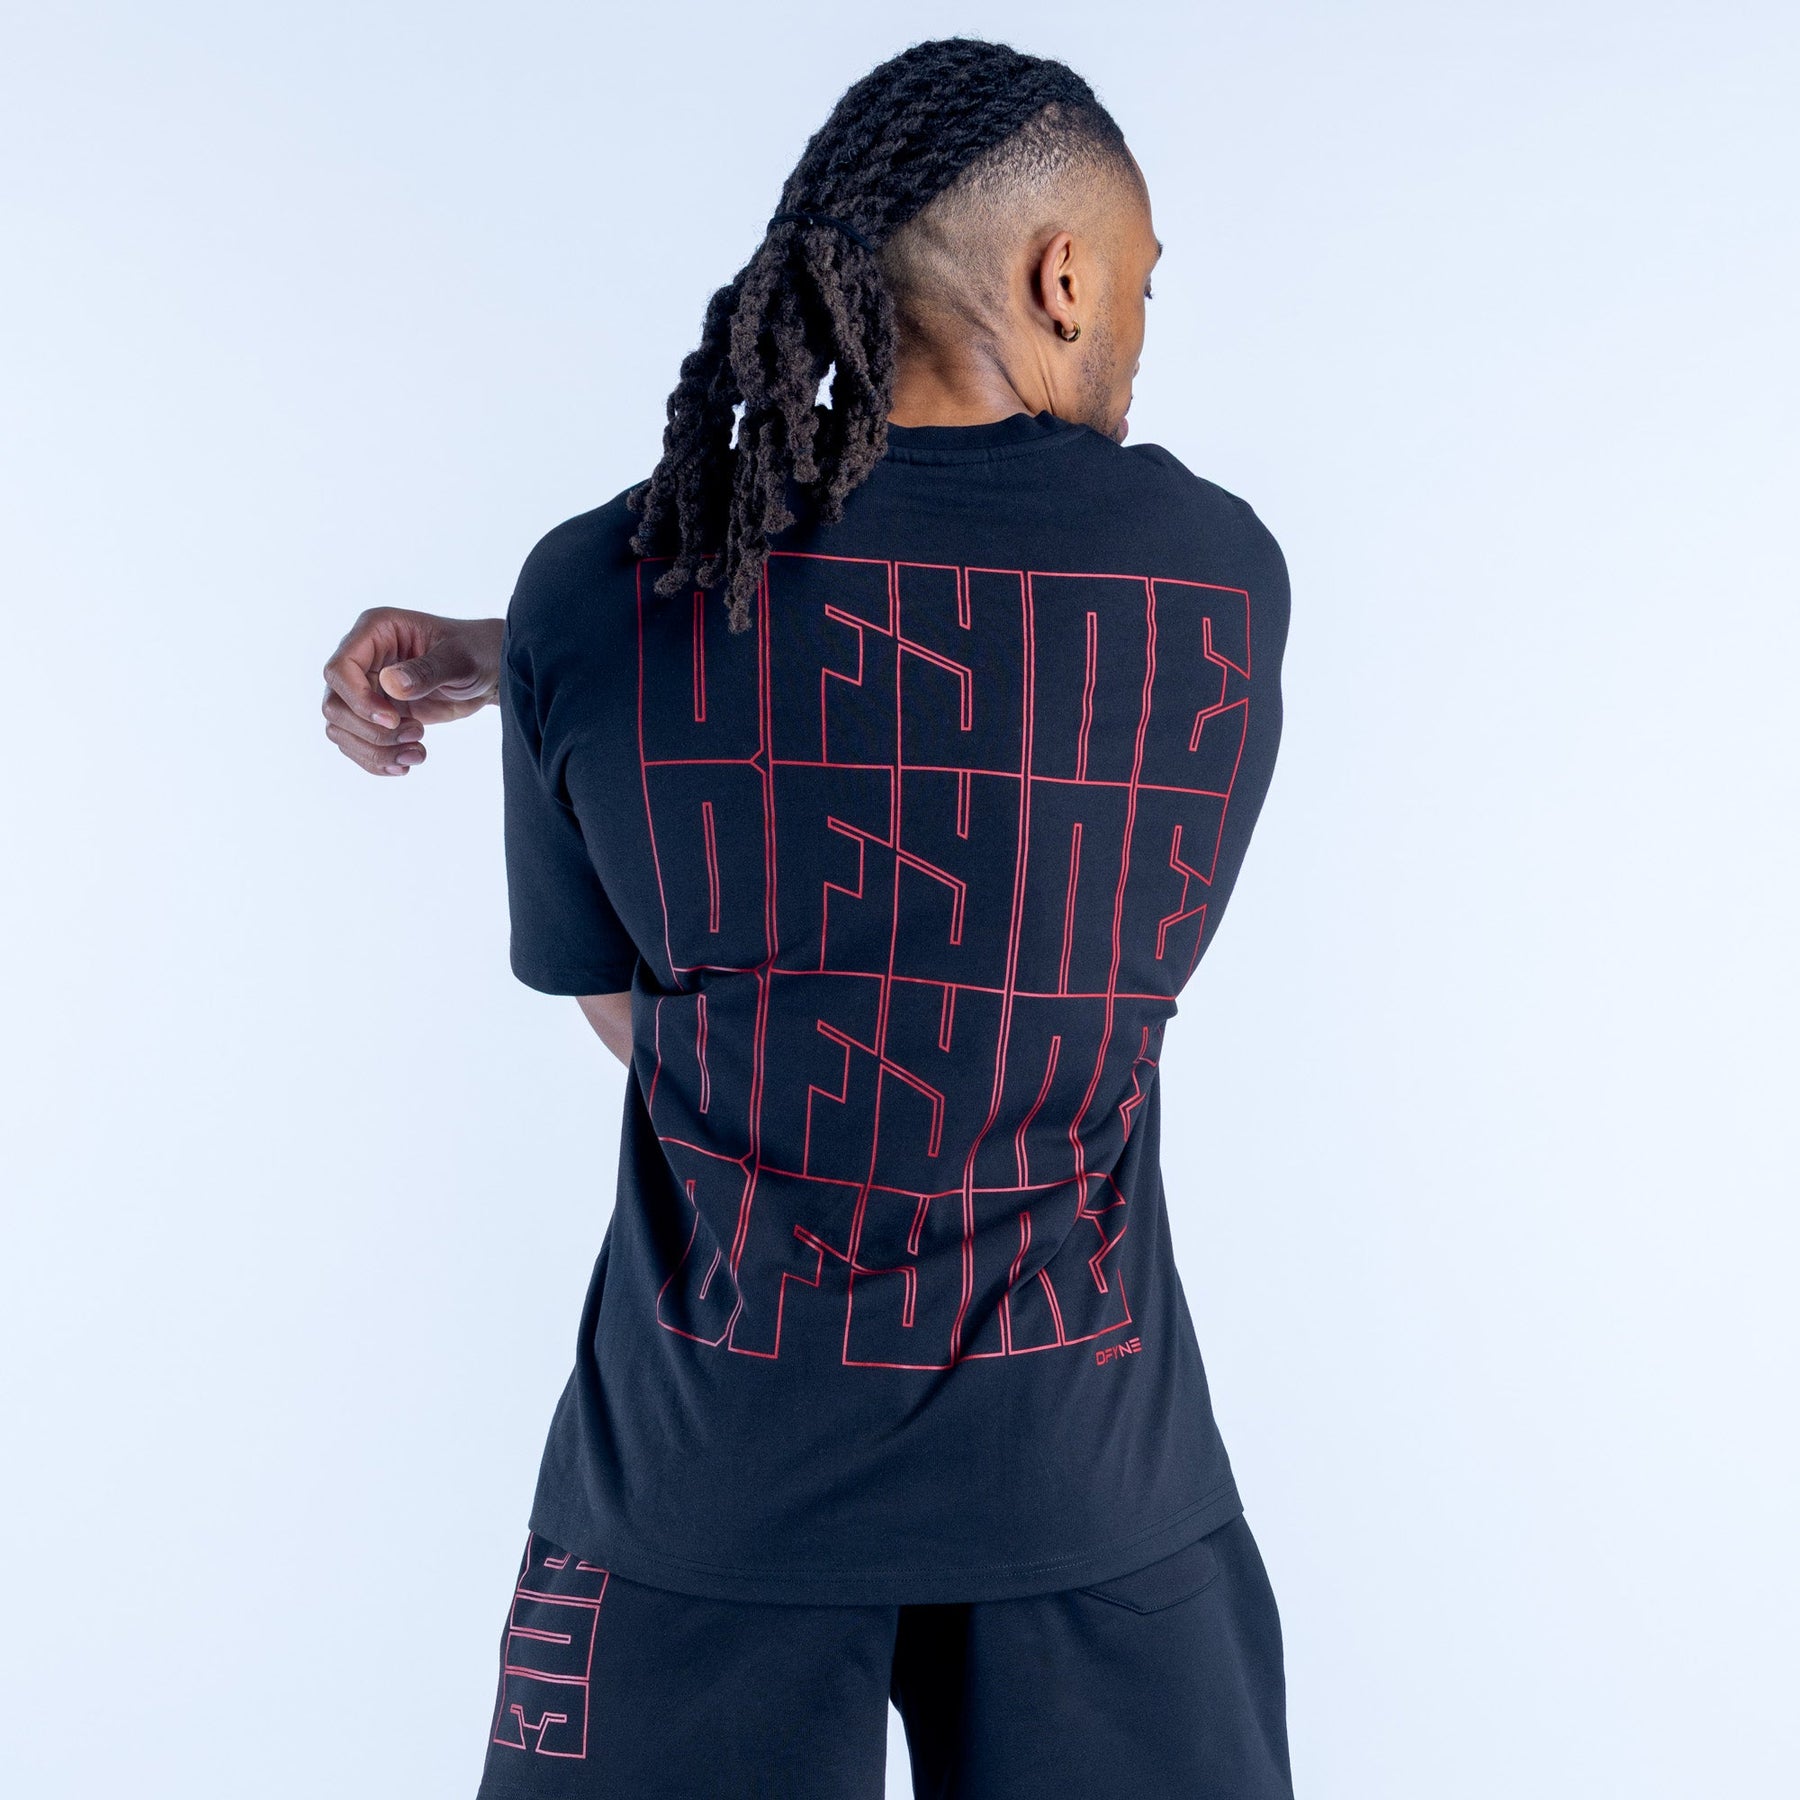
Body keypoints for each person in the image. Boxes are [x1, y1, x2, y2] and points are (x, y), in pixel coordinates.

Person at [322, 37, 1294, 1800]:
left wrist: (518, 653)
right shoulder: (1211, 581)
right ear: (1061, 279)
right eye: (1142, 286)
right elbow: (1000, 751)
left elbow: (650, 1012)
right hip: (1095, 1491)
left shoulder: (593, 597)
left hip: (700, 1495)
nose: (1143, 334)